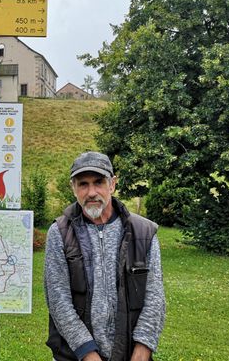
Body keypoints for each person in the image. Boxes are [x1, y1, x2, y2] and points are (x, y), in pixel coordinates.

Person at [44, 151, 165, 361]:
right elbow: (57, 300)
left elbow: (154, 296)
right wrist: (87, 353)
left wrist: (143, 348)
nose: (91, 192)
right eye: (83, 184)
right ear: (73, 188)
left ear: (112, 184)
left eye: (99, 182)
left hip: (130, 354)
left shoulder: (143, 232)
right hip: (75, 356)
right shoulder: (59, 232)